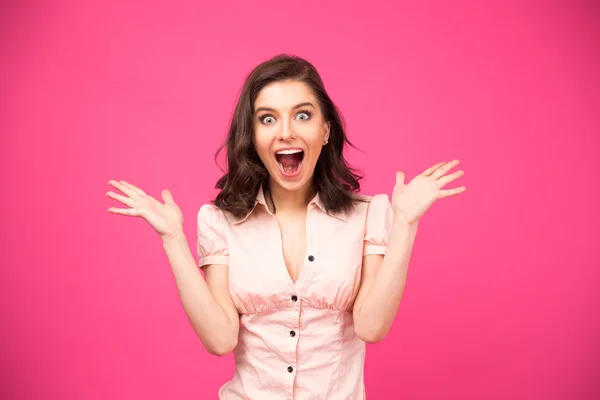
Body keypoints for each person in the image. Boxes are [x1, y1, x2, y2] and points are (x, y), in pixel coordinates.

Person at [106, 54, 466, 399]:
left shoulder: (368, 214)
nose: (285, 132)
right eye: (267, 119)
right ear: (253, 136)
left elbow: (372, 327)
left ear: (325, 130)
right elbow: (220, 340)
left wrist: (405, 223)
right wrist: (172, 239)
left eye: (303, 115)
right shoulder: (220, 221)